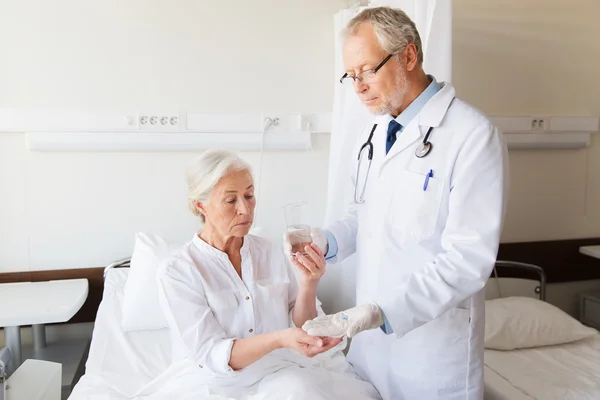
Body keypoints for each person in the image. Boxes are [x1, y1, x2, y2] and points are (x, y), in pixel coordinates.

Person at [288, 6, 508, 400]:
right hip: (371, 350)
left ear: (408, 56)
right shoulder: (376, 132)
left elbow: (468, 260)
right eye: (351, 76)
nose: (358, 87)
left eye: (367, 70)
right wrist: (326, 241)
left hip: (432, 353)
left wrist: (381, 311)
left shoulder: (472, 137)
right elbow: (365, 215)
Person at [156, 149, 381, 400]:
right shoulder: (178, 271)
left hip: (277, 374)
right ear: (201, 206)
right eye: (231, 201)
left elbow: (303, 323)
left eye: (249, 195)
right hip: (214, 383)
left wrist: (309, 283)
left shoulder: (269, 251)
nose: (245, 209)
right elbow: (212, 355)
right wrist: (280, 339)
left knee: (299, 392)